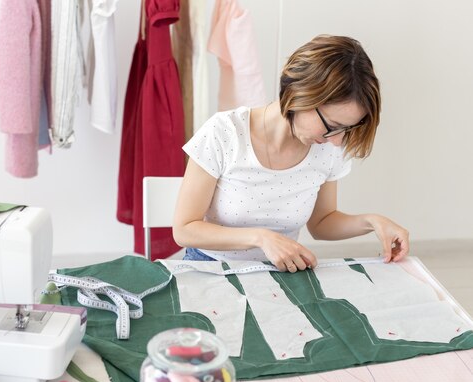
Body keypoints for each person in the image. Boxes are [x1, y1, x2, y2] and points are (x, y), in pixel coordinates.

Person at [173, 34, 409, 271]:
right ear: (300, 94)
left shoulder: (326, 148)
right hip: (210, 267)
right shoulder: (224, 133)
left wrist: (373, 222)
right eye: (332, 126)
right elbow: (184, 229)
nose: (337, 141)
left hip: (282, 271)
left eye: (346, 129)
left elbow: (322, 223)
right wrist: (261, 238)